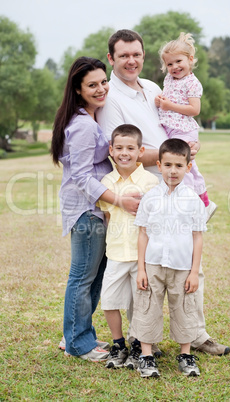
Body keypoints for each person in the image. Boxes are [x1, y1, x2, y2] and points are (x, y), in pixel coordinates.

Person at [97, 29, 230, 356]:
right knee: (148, 266)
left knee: (188, 262)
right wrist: (172, 154)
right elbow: (122, 150)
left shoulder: (155, 87)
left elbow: (177, 126)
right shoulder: (110, 98)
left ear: (145, 57)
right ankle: (147, 342)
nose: (132, 61)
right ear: (112, 59)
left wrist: (188, 147)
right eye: (124, 55)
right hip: (146, 189)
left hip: (177, 183)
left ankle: (197, 335)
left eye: (137, 54)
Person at [51, 57, 140, 362]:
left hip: (95, 209)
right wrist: (119, 200)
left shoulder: (88, 119)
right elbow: (81, 176)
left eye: (104, 82)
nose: (102, 88)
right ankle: (78, 343)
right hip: (87, 210)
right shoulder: (83, 126)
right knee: (83, 277)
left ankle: (80, 335)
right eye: (92, 85)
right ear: (78, 89)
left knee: (94, 275)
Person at [131, 138, 207, 377]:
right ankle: (146, 356)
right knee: (147, 308)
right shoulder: (150, 198)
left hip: (182, 266)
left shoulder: (193, 201)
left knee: (185, 308)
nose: (173, 171)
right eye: (168, 165)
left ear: (188, 167)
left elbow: (197, 237)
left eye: (179, 165)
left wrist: (194, 272)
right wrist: (141, 269)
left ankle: (185, 354)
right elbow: (143, 234)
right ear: (158, 164)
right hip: (153, 265)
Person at [98, 124, 159, 369]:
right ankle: (118, 344)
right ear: (111, 150)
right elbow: (108, 217)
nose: (125, 153)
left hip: (141, 256)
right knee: (109, 301)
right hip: (115, 253)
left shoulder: (150, 181)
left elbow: (154, 221)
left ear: (140, 151)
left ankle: (137, 345)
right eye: (119, 148)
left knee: (140, 303)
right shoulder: (107, 182)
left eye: (130, 148)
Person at [155, 32, 217, 221]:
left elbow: (194, 109)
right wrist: (160, 101)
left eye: (178, 61)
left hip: (184, 129)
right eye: (169, 64)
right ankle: (188, 202)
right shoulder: (169, 80)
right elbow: (168, 99)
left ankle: (203, 203)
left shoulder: (192, 83)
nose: (174, 67)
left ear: (190, 60)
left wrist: (168, 106)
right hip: (171, 129)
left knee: (186, 167)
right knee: (179, 165)